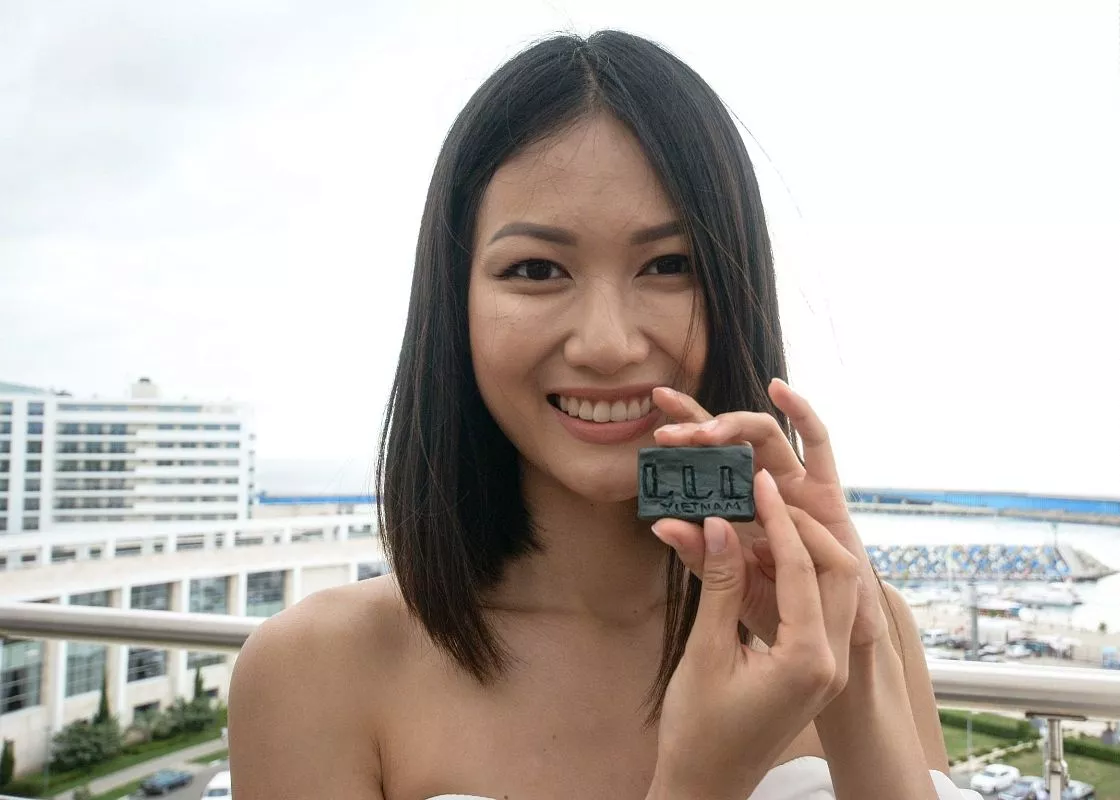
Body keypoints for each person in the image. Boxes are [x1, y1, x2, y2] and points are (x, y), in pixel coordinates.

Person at [228, 30, 981, 799]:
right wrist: (698, 783)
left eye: (669, 265)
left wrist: (856, 678)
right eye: (536, 269)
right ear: (455, 305)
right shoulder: (316, 668)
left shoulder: (858, 622)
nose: (607, 345)